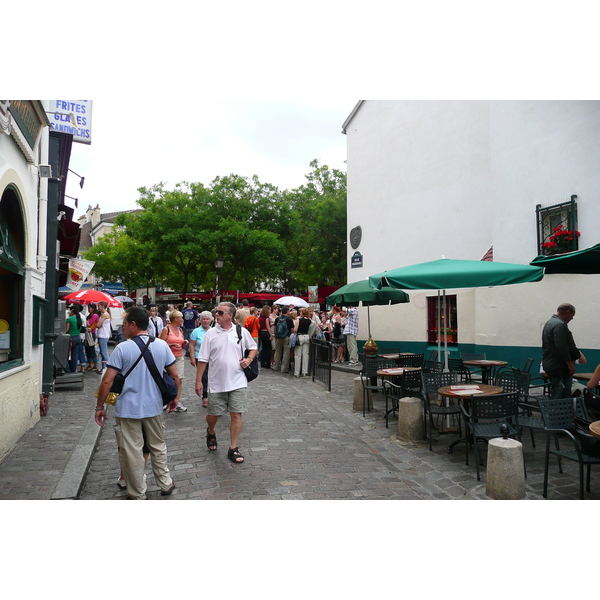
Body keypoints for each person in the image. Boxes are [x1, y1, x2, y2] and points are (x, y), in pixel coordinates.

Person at [94, 306, 180, 500]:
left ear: (133, 324)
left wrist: (100, 407)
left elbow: (107, 381)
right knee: (158, 446)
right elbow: (175, 376)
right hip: (154, 406)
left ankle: (137, 492)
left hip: (128, 409)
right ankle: (165, 483)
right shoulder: (161, 345)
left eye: (124, 324)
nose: (122, 328)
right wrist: (175, 398)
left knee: (132, 451)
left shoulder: (122, 348)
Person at [194, 302, 258, 464]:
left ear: (230, 315)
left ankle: (233, 448)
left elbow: (253, 347)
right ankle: (211, 431)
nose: (217, 315)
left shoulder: (240, 331)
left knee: (236, 413)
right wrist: (199, 381)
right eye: (216, 312)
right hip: (216, 382)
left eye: (220, 312)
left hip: (238, 380)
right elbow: (203, 359)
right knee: (213, 414)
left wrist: (249, 359)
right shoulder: (210, 334)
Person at [541, 303, 580, 398]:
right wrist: (570, 365)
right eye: (572, 315)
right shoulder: (559, 325)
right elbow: (561, 347)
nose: (572, 318)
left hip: (551, 364)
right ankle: (561, 412)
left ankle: (555, 411)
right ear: (567, 312)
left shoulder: (550, 323)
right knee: (563, 395)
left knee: (556, 392)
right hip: (559, 366)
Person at [159, 310, 189, 412]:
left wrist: (184, 343)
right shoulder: (166, 329)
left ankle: (177, 400)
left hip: (179, 356)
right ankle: (167, 400)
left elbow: (181, 343)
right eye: (181, 318)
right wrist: (171, 345)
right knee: (168, 380)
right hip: (168, 358)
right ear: (175, 319)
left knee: (179, 379)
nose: (182, 320)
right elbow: (160, 344)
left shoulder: (180, 330)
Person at [189, 310, 213, 408]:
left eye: (207, 319)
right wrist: (192, 357)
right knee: (204, 377)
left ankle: (212, 395)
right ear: (200, 320)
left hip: (212, 358)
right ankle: (205, 397)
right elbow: (192, 345)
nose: (205, 321)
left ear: (211, 320)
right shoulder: (196, 331)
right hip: (200, 357)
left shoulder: (213, 331)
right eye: (203, 319)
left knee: (212, 377)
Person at [273, 305, 294, 373]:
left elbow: (275, 328)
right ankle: (284, 368)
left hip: (278, 337)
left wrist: (276, 335)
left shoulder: (277, 318)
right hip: (286, 337)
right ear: (287, 311)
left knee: (277, 351)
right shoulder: (289, 319)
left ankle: (275, 366)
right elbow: (292, 329)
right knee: (286, 353)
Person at [66, 305, 86, 373]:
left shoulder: (69, 319)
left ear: (72, 311)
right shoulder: (81, 319)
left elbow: (66, 330)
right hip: (78, 337)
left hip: (71, 338)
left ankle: (68, 370)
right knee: (75, 355)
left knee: (67, 354)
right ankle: (73, 370)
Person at [294, 307, 313, 377]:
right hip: (306, 337)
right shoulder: (309, 321)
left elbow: (295, 330)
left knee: (298, 355)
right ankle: (304, 372)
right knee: (305, 355)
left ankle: (297, 372)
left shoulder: (298, 320)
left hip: (300, 336)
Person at [96, 301, 112, 374]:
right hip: (102, 334)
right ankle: (103, 368)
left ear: (102, 306)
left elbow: (98, 324)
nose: (98, 307)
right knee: (103, 352)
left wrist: (99, 325)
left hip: (103, 335)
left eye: (98, 306)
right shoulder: (104, 314)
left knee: (104, 353)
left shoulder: (104, 315)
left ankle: (106, 368)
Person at [84, 303, 99, 371]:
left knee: (91, 349)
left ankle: (95, 365)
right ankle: (90, 364)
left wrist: (86, 322)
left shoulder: (95, 315)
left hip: (91, 334)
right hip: (87, 333)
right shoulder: (89, 316)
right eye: (88, 308)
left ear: (93, 308)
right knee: (88, 349)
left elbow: (89, 324)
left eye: (89, 308)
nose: (88, 309)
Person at [258, 305, 272, 369]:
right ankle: (267, 363)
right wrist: (271, 334)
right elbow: (267, 326)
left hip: (261, 332)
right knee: (268, 348)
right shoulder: (266, 318)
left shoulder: (260, 318)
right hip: (266, 332)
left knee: (263, 348)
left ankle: (263, 362)